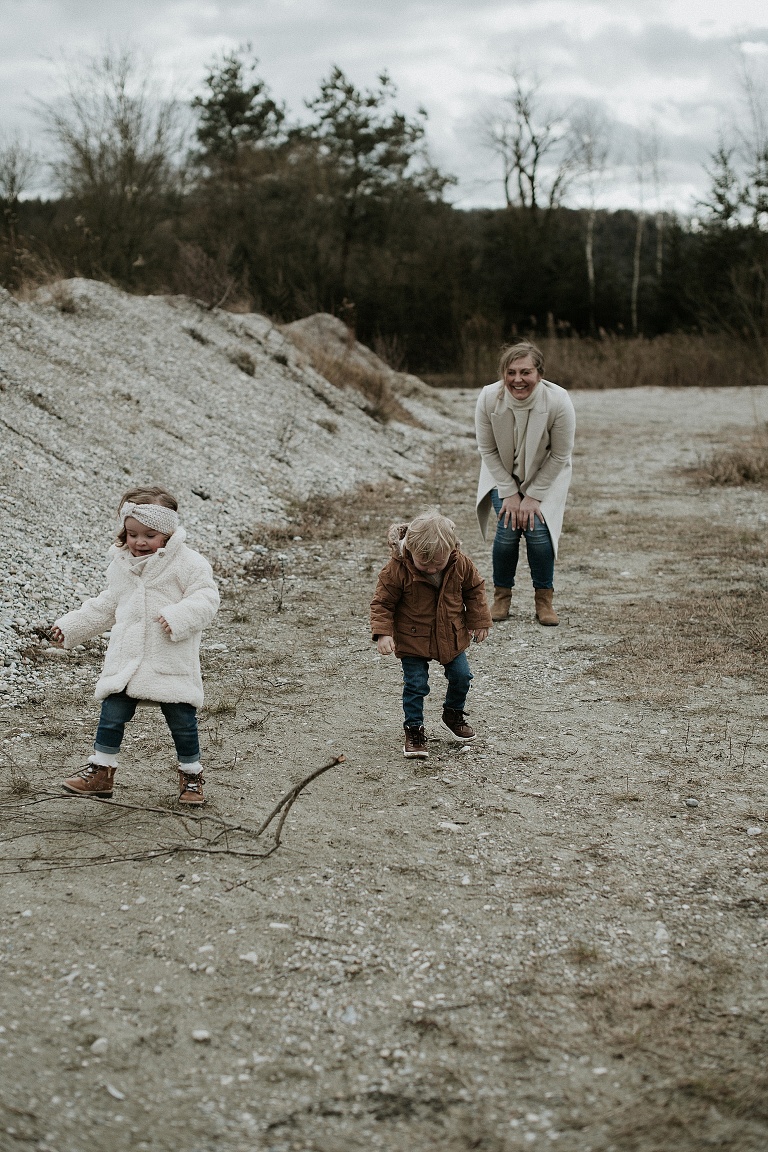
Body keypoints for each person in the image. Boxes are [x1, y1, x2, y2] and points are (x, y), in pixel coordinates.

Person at [50, 486, 220, 806]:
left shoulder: (188, 563)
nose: (139, 542)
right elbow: (106, 606)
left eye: (149, 535)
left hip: (168, 656)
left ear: (168, 533)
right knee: (111, 714)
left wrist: (179, 616)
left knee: (182, 721)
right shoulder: (121, 564)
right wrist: (70, 626)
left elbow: (207, 598)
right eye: (132, 534)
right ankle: (101, 772)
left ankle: (191, 777)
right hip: (127, 657)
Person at [370, 509, 491, 759]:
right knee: (415, 685)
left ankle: (453, 712)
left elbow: (475, 590)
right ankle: (414, 729)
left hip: (450, 634)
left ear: (451, 549)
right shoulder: (396, 570)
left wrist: (479, 620)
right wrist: (383, 633)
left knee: (462, 676)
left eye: (438, 562)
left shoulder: (461, 564)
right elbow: (382, 603)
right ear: (409, 550)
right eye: (424, 563)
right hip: (412, 637)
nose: (431, 567)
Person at [475, 341, 575, 626]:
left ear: (539, 373)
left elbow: (560, 454)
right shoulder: (487, 398)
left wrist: (533, 496)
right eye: (511, 372)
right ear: (503, 373)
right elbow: (488, 451)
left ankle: (544, 600)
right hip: (501, 475)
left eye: (525, 372)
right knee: (507, 532)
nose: (518, 380)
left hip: (546, 475)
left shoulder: (558, 401)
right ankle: (501, 598)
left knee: (538, 534)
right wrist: (509, 493)